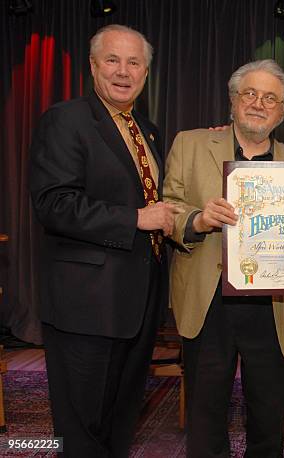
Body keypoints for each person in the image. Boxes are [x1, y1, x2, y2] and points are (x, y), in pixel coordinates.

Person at [29, 24, 180, 457]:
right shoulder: (66, 119)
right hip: (86, 306)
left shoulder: (146, 131)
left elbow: (156, 204)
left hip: (138, 304)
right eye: (112, 60)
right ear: (93, 66)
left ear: (146, 73)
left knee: (120, 419)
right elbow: (54, 204)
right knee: (81, 428)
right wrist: (136, 218)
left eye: (134, 63)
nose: (123, 71)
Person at [163, 59, 284, 458]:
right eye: (250, 93)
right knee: (205, 417)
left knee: (268, 417)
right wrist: (197, 219)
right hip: (209, 302)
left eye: (270, 98)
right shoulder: (190, 144)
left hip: (273, 307)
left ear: (282, 111)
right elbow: (169, 207)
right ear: (232, 100)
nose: (258, 104)